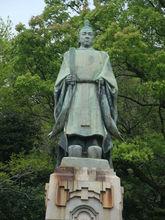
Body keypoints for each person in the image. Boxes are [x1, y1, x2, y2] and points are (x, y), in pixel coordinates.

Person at [50, 20, 121, 166]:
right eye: (84, 34)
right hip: (75, 95)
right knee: (74, 141)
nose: (87, 36)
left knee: (95, 141)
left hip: (95, 95)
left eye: (90, 34)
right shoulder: (69, 55)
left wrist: (103, 81)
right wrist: (66, 80)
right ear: (79, 37)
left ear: (93, 37)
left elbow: (111, 81)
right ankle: (74, 142)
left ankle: (94, 142)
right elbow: (59, 82)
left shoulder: (103, 56)